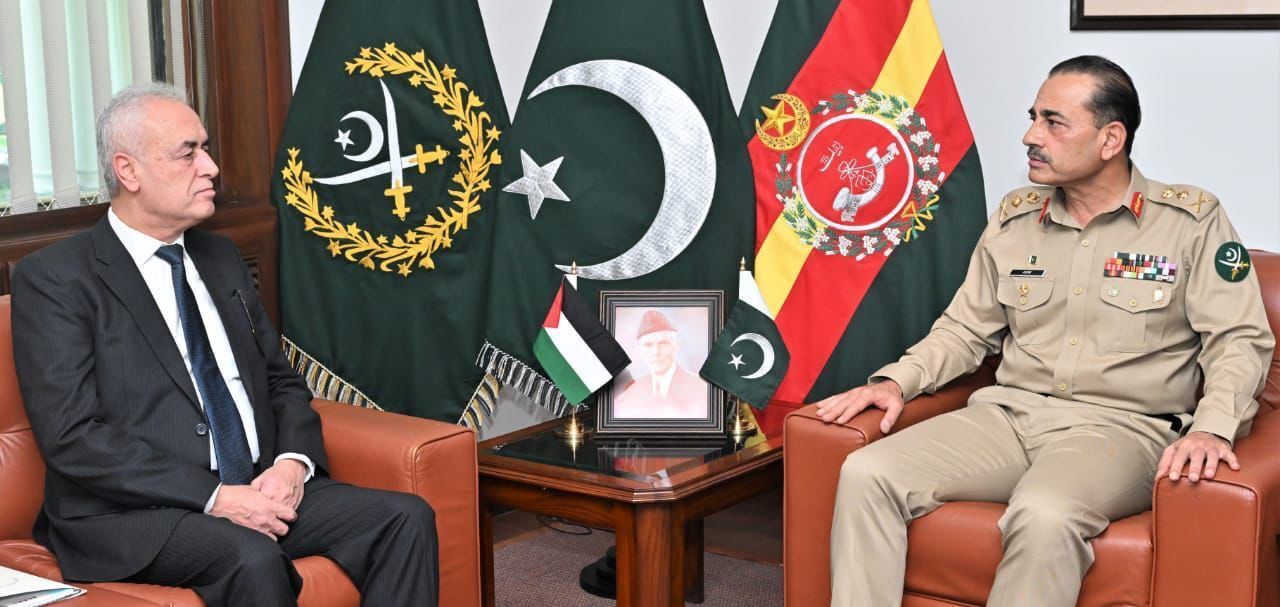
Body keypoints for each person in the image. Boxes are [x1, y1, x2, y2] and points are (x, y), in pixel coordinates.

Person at [814, 55, 1274, 606]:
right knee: (868, 473)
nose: (1031, 136)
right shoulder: (1014, 218)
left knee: (1043, 512)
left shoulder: (1190, 222)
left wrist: (1214, 427)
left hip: (1123, 430)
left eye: (1054, 122)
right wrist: (896, 382)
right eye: (1034, 117)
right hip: (1008, 416)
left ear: (1110, 139)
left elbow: (1239, 339)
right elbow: (965, 328)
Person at [10, 83, 438, 607]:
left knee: (405, 517)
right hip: (138, 514)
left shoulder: (220, 258)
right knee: (251, 558)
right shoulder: (56, 279)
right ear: (129, 171)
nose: (211, 167)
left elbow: (281, 381)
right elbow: (73, 436)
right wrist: (214, 497)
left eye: (205, 148)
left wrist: (292, 464)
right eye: (188, 153)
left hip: (256, 483)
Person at [613, 309, 708, 419]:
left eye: (663, 343)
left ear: (676, 346)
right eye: (648, 345)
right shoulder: (631, 392)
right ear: (639, 351)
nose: (656, 352)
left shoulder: (701, 387)